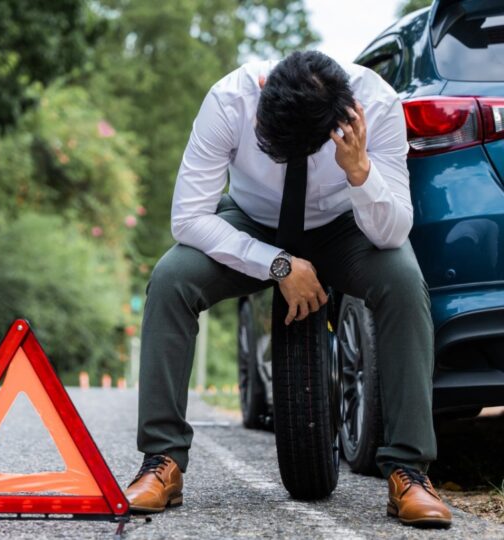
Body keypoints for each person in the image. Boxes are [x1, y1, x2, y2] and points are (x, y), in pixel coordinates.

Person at [124, 51, 452, 529]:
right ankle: (162, 462)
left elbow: (391, 233)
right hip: (254, 224)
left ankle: (409, 471)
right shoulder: (229, 100)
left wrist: (360, 170)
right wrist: (277, 263)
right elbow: (188, 219)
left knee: (403, 281)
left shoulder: (376, 104)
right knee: (172, 279)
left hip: (346, 226)